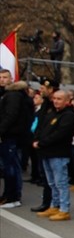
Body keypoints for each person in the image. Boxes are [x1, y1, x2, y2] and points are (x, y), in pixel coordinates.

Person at [31, 88, 74, 221]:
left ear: (67, 101)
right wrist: (36, 140)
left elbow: (60, 135)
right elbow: (41, 128)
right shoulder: (52, 114)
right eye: (55, 99)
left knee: (61, 182)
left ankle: (64, 209)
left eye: (59, 99)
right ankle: (54, 205)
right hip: (46, 152)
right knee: (51, 182)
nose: (56, 101)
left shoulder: (68, 116)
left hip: (59, 153)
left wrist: (42, 143)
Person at [0, 74, 34, 208]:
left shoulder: (14, 95)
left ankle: (12, 197)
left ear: (11, 79)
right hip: (10, 135)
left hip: (11, 136)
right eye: (0, 77)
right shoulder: (9, 94)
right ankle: (8, 195)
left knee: (11, 167)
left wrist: (1, 131)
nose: (2, 79)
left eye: (5, 77)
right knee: (9, 166)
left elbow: (10, 116)